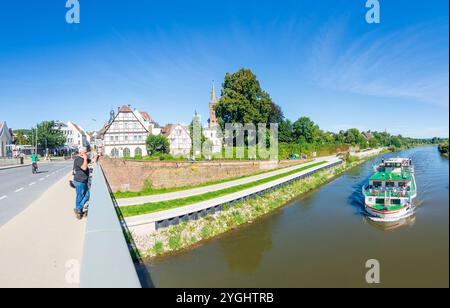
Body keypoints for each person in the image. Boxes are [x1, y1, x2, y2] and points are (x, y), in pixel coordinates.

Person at [73, 147, 96, 219]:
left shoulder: (84, 158)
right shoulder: (78, 159)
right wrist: (85, 159)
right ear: (81, 153)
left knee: (88, 194)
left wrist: (96, 156)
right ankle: (78, 211)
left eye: (87, 152)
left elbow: (92, 161)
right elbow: (84, 168)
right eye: (85, 152)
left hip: (84, 180)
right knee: (80, 196)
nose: (87, 153)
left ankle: (78, 208)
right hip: (79, 181)